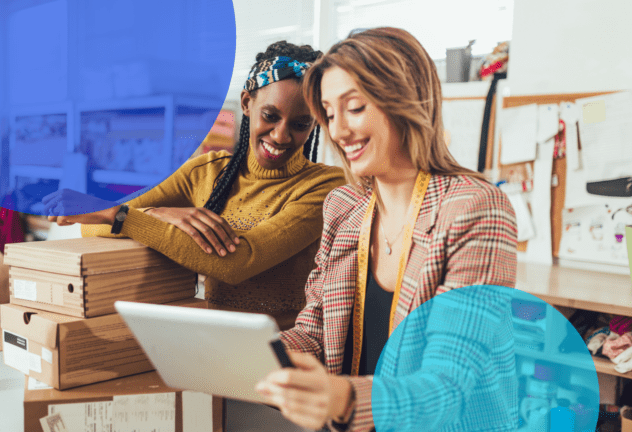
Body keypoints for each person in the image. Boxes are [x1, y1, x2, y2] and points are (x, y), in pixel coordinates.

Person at [255, 27, 519, 431]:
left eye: (355, 107)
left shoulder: (475, 207)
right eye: (329, 112)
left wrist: (342, 399)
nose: (339, 131)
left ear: (406, 102)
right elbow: (316, 333)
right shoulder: (343, 208)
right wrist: (258, 356)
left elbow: (452, 384)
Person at [46, 41, 346, 330]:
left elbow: (238, 262)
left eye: (300, 124)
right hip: (210, 343)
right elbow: (89, 224)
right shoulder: (208, 171)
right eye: (270, 116)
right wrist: (155, 213)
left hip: (286, 354)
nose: (281, 136)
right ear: (246, 103)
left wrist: (120, 216)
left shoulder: (325, 187)